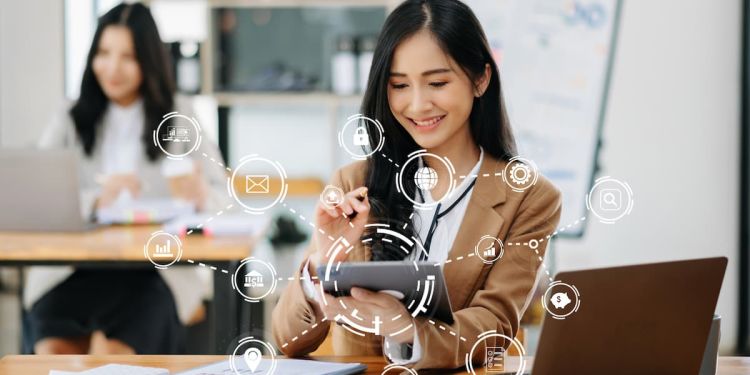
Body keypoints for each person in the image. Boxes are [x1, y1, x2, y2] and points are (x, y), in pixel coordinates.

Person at [272, 0, 562, 370]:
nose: (418, 104)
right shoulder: (353, 183)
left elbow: (495, 328)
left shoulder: (530, 198)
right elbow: (287, 341)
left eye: (437, 83)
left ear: (480, 79)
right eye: (399, 85)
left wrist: (408, 330)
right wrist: (323, 264)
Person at [25, 3, 228, 355]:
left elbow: (222, 199)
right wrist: (94, 200)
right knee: (52, 354)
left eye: (128, 57)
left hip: (151, 273)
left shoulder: (180, 116)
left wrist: (200, 198)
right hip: (75, 271)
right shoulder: (70, 117)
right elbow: (37, 196)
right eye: (103, 54)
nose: (112, 69)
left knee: (117, 358)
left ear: (149, 62)